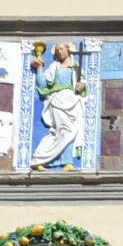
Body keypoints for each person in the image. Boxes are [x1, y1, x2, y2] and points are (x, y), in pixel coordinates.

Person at [31, 42, 85, 170]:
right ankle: (42, 159)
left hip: (72, 102)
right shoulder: (54, 67)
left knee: (67, 132)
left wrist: (82, 87)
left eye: (61, 49)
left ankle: (60, 161)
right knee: (66, 131)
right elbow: (43, 85)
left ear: (68, 49)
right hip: (58, 101)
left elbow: (84, 84)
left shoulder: (76, 67)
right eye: (57, 51)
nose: (59, 52)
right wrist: (39, 68)